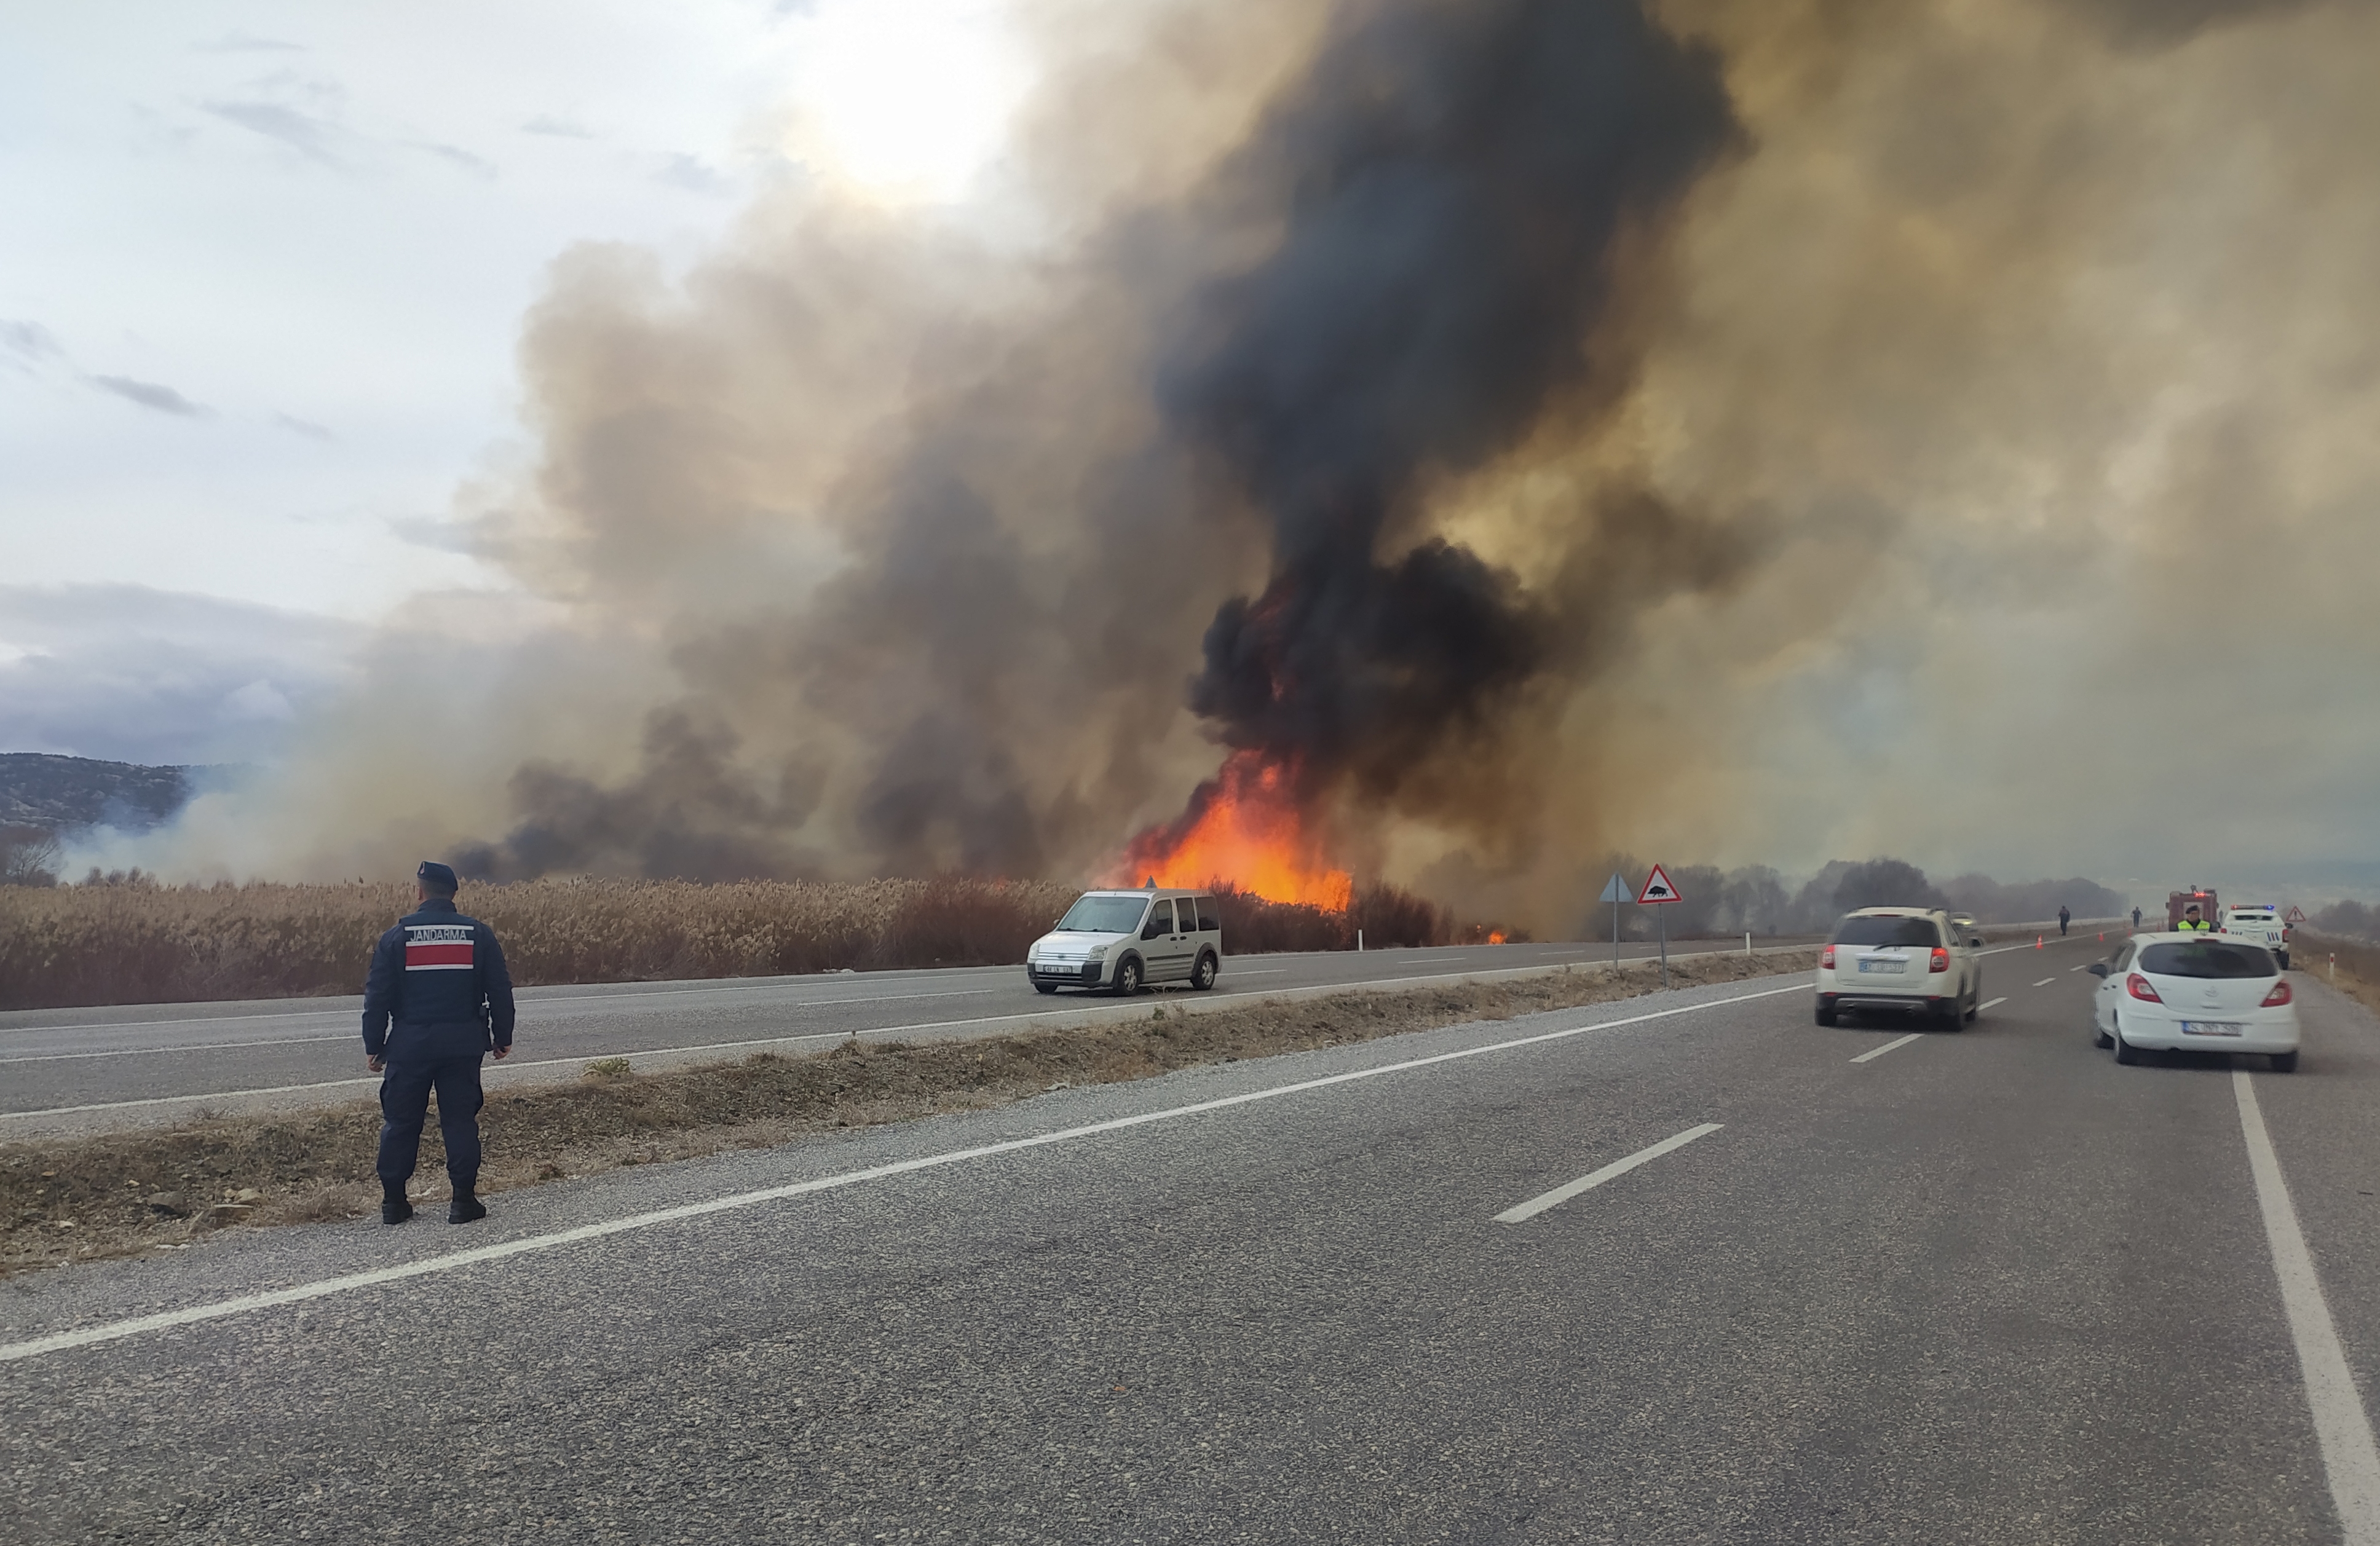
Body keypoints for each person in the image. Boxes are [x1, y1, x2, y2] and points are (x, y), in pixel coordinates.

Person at [362, 861, 515, 1225]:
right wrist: (502, 1037)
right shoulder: (478, 934)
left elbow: (377, 997)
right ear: (454, 895)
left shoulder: (397, 936)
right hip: (462, 1045)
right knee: (460, 1121)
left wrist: (374, 1045)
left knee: (400, 1122)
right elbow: (500, 992)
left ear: (419, 892)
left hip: (409, 1045)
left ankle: (394, 1204)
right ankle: (463, 1203)